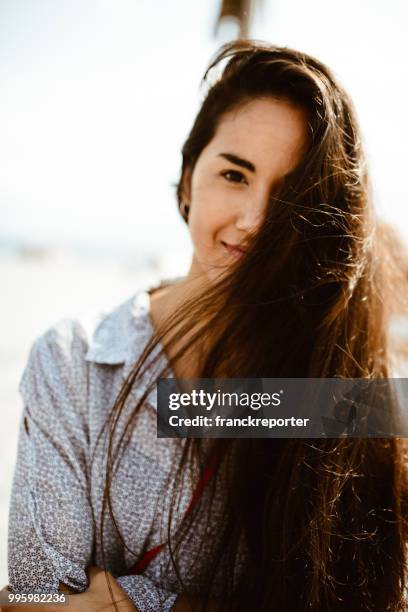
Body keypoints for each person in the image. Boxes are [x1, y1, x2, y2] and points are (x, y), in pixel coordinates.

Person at [3, 39, 408, 612]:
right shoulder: (75, 362)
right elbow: (33, 596)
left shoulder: (331, 386)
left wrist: (149, 604)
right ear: (189, 178)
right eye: (235, 175)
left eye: (291, 198)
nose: (255, 222)